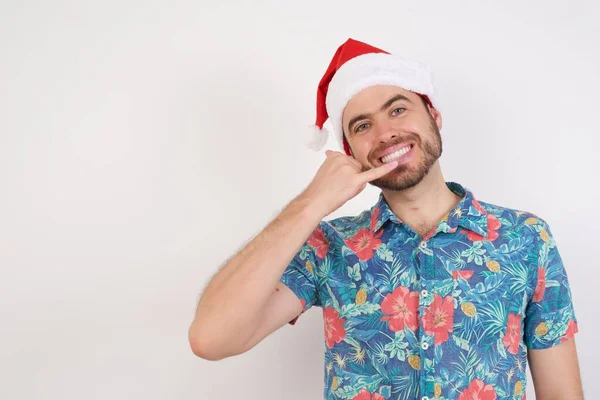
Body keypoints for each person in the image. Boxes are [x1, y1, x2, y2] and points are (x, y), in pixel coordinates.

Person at [188, 38, 583, 400]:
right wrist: (309, 204)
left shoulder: (525, 238)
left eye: (397, 109)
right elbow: (212, 339)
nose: (386, 133)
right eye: (362, 126)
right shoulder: (328, 247)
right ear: (350, 153)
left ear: (434, 115)